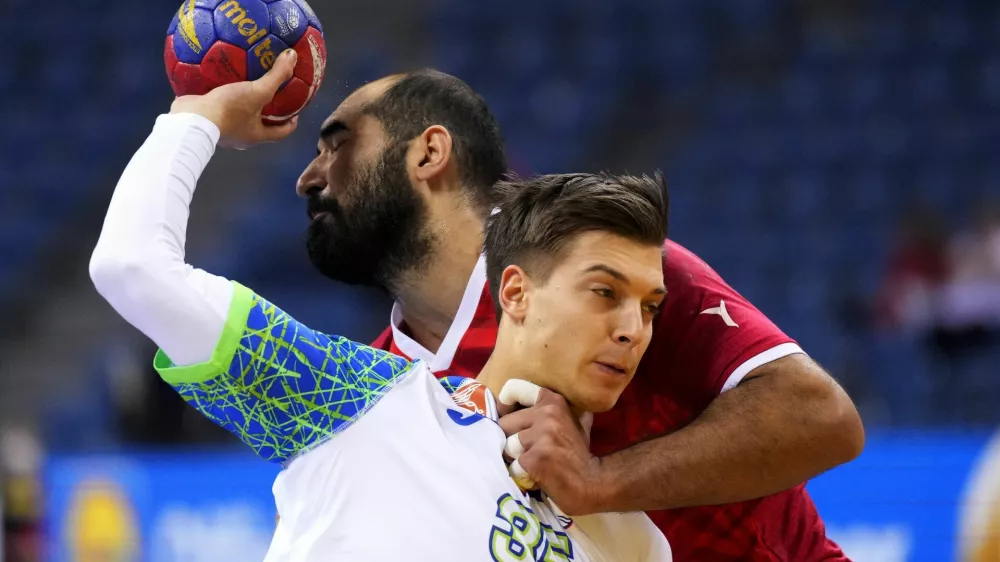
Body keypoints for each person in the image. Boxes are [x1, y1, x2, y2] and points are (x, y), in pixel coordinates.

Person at [89, 50, 673, 561]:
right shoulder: (364, 398)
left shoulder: (633, 540)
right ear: (516, 292)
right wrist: (197, 117)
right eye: (604, 293)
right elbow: (132, 266)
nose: (633, 329)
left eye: (650, 307)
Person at [295, 67, 866, 560]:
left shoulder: (616, 271)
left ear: (428, 153)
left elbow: (822, 417)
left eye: (336, 146)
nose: (308, 178)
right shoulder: (380, 393)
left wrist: (598, 481)